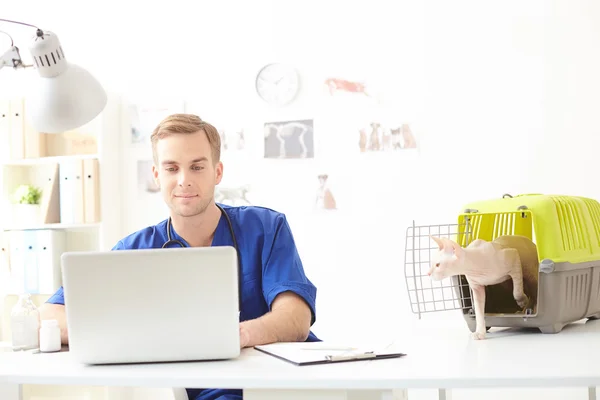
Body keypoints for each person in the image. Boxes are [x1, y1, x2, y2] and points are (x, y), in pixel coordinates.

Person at [39, 113, 320, 400]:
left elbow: (295, 319)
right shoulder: (135, 249)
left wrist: (236, 336)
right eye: (172, 168)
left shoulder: (265, 228)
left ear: (217, 172)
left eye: (197, 167)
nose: (184, 180)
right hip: (195, 391)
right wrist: (138, 334)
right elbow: (50, 316)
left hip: (274, 387)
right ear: (157, 175)